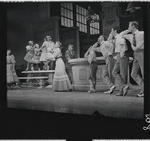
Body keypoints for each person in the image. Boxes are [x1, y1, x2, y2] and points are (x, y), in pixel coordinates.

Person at [121, 21, 144, 97]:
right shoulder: (130, 35)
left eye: (129, 26)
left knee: (144, 72)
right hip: (135, 54)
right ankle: (144, 88)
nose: (128, 27)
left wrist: (137, 47)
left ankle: (144, 91)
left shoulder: (142, 33)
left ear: (133, 26)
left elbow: (141, 44)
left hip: (142, 52)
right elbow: (121, 35)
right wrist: (128, 30)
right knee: (133, 74)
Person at [111, 26, 129, 96]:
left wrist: (121, 55)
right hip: (119, 55)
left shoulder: (119, 36)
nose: (111, 32)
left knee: (123, 74)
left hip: (122, 55)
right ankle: (124, 86)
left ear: (115, 31)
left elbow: (122, 45)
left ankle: (122, 91)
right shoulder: (116, 38)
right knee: (114, 72)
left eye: (112, 30)